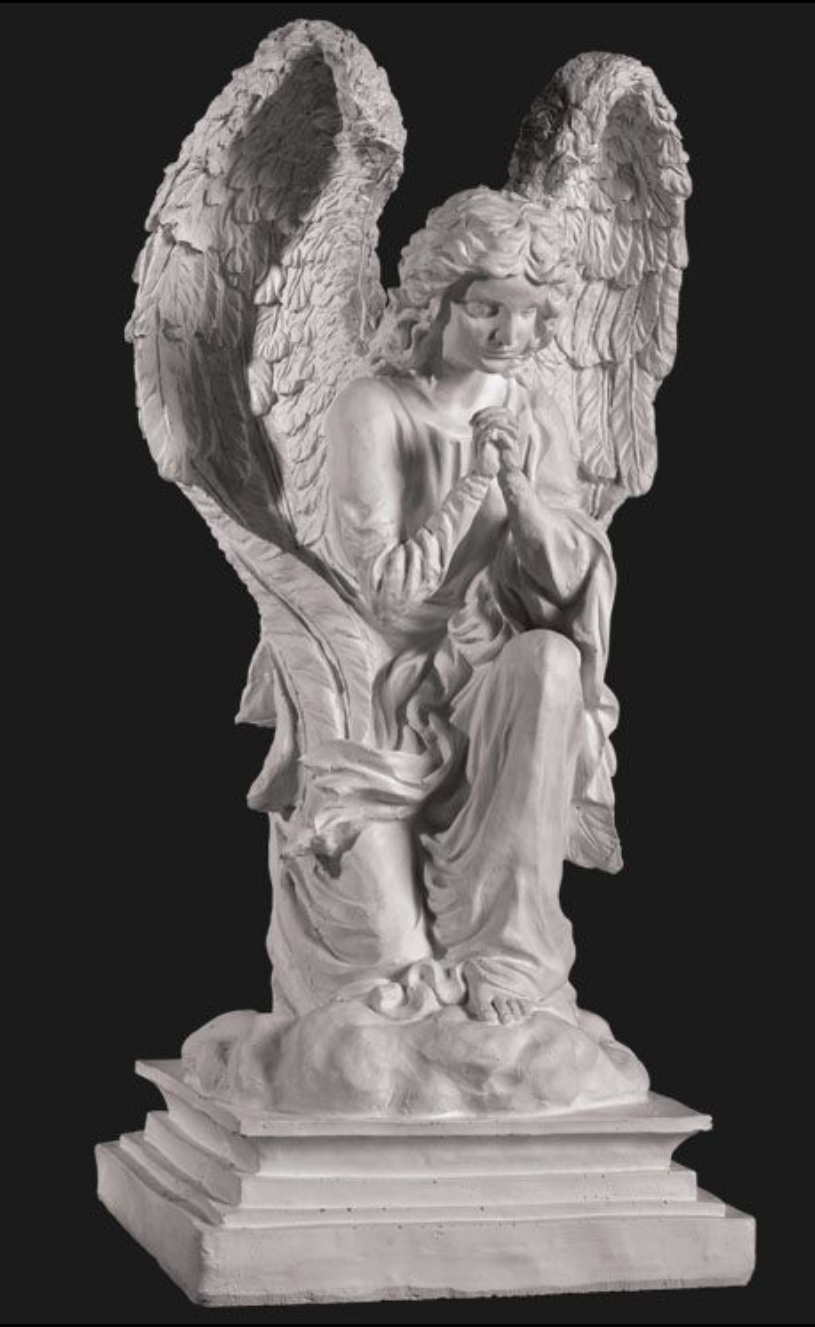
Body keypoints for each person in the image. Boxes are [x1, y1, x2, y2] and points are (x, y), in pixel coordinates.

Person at [298, 187, 625, 1028]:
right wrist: (474, 481)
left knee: (550, 660)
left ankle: (508, 952)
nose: (510, 334)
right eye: (487, 308)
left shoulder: (536, 417)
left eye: (530, 314)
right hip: (382, 682)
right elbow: (387, 590)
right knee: (388, 970)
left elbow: (570, 584)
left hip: (484, 668)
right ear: (439, 299)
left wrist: (519, 489)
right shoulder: (372, 407)